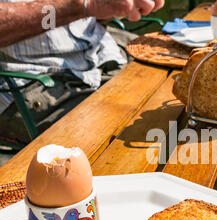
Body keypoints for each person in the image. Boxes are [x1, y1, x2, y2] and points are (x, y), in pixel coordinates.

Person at [0, 0, 165, 144]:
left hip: (101, 54)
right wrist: (84, 5)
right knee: (145, 131)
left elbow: (86, 16)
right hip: (33, 82)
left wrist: (115, 7)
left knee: (171, 93)